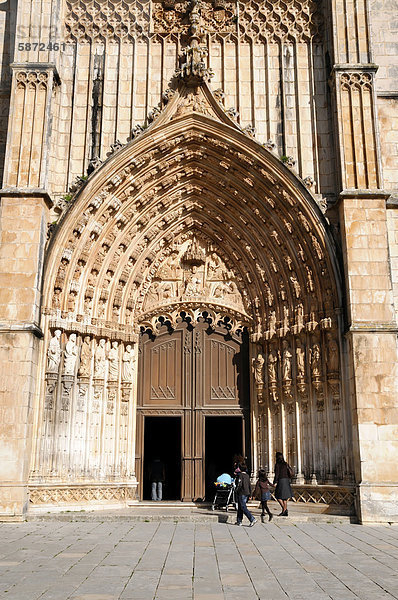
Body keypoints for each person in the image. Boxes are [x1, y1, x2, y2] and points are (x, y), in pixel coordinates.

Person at [273, 452, 293, 516]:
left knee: (278, 496)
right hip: (286, 480)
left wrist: (274, 482)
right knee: (284, 497)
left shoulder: (277, 465)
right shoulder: (285, 464)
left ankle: (284, 510)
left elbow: (277, 474)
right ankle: (285, 510)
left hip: (281, 481)